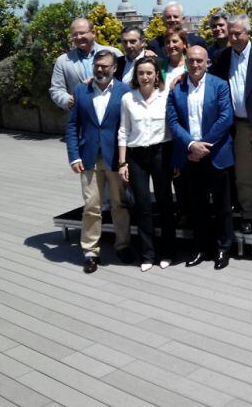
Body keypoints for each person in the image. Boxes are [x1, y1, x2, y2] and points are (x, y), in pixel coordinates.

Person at [167, 45, 235, 270]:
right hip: (190, 157)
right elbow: (173, 121)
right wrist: (191, 145)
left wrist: (203, 145)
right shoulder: (177, 88)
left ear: (207, 63)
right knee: (197, 206)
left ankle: (223, 248)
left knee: (223, 206)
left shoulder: (220, 85)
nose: (195, 64)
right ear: (186, 62)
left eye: (200, 61)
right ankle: (200, 248)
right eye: (191, 60)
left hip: (215, 154)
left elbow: (226, 118)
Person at [210, 14, 252, 234]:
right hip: (237, 126)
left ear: (248, 33)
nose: (234, 37)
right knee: (243, 174)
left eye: (238, 33)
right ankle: (248, 215)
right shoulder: (222, 57)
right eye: (231, 33)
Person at [65, 50, 132, 273]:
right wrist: (74, 155)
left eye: (105, 66)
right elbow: (73, 126)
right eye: (97, 65)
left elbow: (129, 127)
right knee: (91, 206)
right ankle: (90, 252)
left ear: (114, 68)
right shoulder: (80, 91)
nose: (100, 69)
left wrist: (126, 161)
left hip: (115, 158)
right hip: (89, 158)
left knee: (119, 204)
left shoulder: (125, 91)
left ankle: (123, 245)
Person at [117, 57, 175, 272]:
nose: (145, 77)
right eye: (141, 73)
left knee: (165, 203)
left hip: (161, 152)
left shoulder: (166, 96)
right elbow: (123, 131)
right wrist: (122, 162)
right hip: (136, 156)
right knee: (142, 206)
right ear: (136, 76)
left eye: (149, 72)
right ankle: (147, 254)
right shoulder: (127, 99)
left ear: (156, 75)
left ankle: (167, 252)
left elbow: (173, 127)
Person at [50, 18, 122, 110]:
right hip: (82, 117)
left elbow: (125, 79)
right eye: (75, 34)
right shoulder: (63, 61)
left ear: (93, 33)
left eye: (82, 33)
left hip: (112, 112)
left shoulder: (114, 53)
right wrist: (68, 100)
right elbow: (56, 89)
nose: (78, 37)